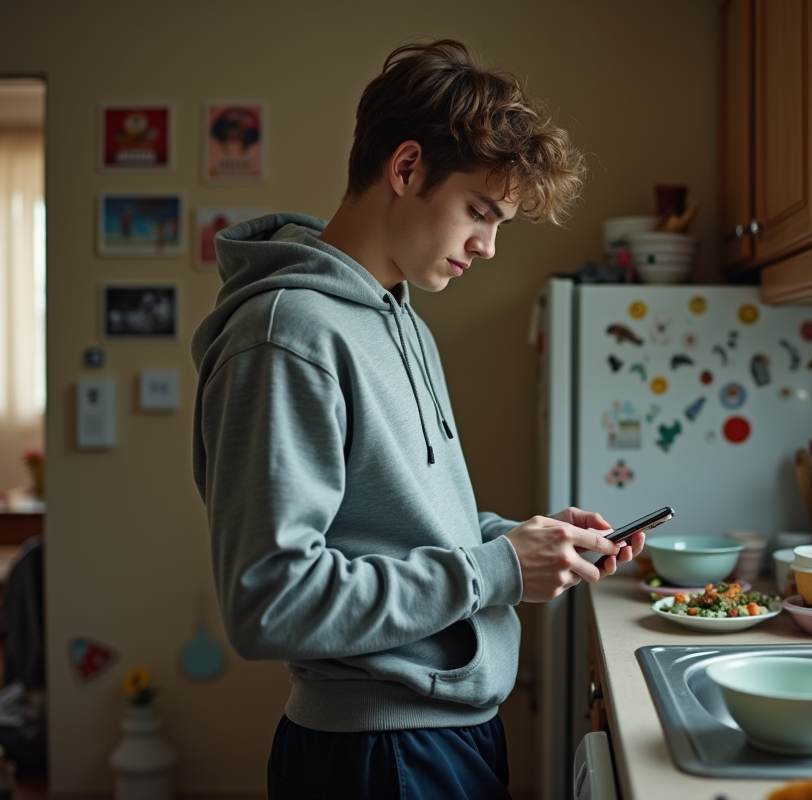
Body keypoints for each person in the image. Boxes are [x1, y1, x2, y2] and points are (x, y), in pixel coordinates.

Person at [189, 39, 644, 799]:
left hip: (447, 734)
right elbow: (268, 600)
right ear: (405, 170)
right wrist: (495, 569)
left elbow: (390, 528)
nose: (489, 246)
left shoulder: (401, 318)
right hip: (380, 760)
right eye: (479, 212)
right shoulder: (287, 335)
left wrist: (524, 544)